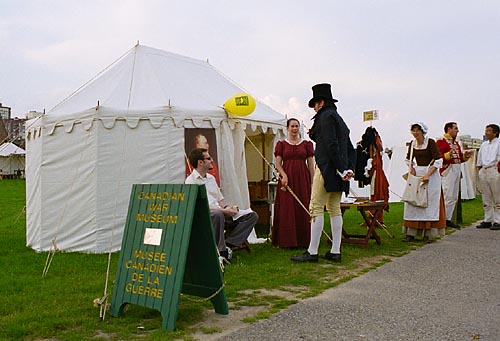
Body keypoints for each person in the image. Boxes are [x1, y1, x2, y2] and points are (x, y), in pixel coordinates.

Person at [291, 83, 355, 263]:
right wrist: (348, 167)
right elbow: (349, 147)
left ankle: (312, 252)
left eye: (315, 105)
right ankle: (335, 250)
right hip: (339, 168)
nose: (314, 109)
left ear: (320, 103)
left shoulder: (325, 117)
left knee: (316, 207)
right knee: (334, 208)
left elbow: (331, 144)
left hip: (327, 167)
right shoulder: (338, 118)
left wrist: (341, 168)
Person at [185, 148, 258, 261]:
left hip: (220, 212)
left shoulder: (211, 178)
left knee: (251, 215)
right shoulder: (191, 181)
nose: (211, 160)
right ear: (200, 162)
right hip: (205, 215)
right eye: (208, 158)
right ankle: (221, 250)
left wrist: (228, 208)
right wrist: (224, 211)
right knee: (217, 214)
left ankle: (229, 244)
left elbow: (220, 200)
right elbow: (199, 207)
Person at [272, 118, 315, 248]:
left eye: (296, 126)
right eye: (292, 126)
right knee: (287, 208)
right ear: (287, 128)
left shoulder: (306, 144)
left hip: (302, 180)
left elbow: (311, 165)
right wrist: (283, 175)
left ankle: (304, 240)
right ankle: (287, 241)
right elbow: (278, 164)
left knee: (302, 206)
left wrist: (313, 183)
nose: (295, 129)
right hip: (287, 180)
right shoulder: (282, 145)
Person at [402, 122, 446, 243]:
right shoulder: (412, 144)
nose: (415, 133)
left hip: (430, 174)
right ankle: (410, 233)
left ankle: (427, 233)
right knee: (413, 203)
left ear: (422, 131)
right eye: (413, 130)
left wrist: (427, 174)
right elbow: (408, 159)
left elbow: (438, 160)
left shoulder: (430, 142)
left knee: (428, 204)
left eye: (417, 130)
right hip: (417, 174)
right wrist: (411, 168)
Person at [436, 122, 473, 228]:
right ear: (449, 129)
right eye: (455, 128)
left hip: (456, 168)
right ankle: (442, 219)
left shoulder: (455, 143)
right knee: (447, 194)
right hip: (448, 169)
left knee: (453, 195)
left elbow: (459, 158)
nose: (457, 130)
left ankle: (447, 218)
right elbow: (438, 158)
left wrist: (465, 156)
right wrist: (447, 155)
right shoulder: (441, 142)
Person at [475, 124, 500, 230]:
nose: (486, 132)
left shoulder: (498, 143)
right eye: (486, 130)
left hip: (494, 169)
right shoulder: (484, 145)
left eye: (489, 131)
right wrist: (479, 171)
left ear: (495, 133)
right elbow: (479, 159)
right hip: (484, 170)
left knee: (497, 196)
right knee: (486, 197)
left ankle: (498, 220)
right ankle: (488, 219)